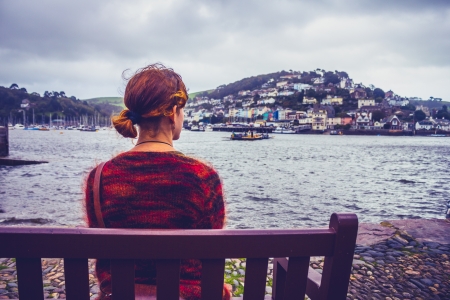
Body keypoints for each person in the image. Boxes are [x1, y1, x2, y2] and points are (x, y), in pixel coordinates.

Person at [84, 64, 230, 300]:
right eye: (182, 110)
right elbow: (211, 254)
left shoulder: (100, 177)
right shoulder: (203, 177)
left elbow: (101, 251)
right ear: (173, 112)